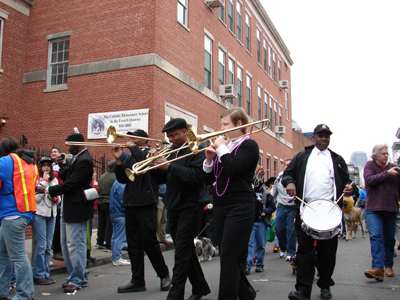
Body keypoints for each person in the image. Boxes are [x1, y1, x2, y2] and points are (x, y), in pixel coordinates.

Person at [282, 124, 354, 300]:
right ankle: (303, 291)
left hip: (329, 212)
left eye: (327, 136)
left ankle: (325, 285)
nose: (324, 139)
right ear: (313, 138)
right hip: (306, 209)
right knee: (304, 252)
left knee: (327, 253)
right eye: (320, 136)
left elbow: (348, 182)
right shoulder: (302, 157)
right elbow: (287, 175)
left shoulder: (337, 159)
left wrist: (350, 189)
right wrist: (290, 182)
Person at [150, 118, 210, 300]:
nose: (171, 139)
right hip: (174, 205)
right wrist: (154, 165)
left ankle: (175, 296)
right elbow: (162, 179)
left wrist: (169, 166)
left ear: (185, 131)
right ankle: (200, 287)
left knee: (182, 252)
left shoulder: (198, 148)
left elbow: (197, 176)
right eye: (169, 136)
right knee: (185, 250)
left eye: (174, 135)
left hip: (192, 205)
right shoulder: (171, 151)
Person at [203, 107, 258, 300]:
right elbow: (210, 180)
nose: (222, 128)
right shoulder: (226, 147)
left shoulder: (249, 145)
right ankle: (246, 293)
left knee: (228, 255)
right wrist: (209, 160)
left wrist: (220, 148)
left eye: (226, 124)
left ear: (239, 125)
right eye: (222, 124)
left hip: (240, 205)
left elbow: (234, 169)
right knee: (230, 255)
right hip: (220, 205)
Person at [111, 129, 170, 293]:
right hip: (130, 203)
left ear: (143, 140)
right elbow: (122, 179)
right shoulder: (130, 157)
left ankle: (164, 274)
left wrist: (132, 148)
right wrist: (117, 161)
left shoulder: (151, 153)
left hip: (146, 202)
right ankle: (137, 280)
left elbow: (144, 162)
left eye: (133, 138)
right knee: (133, 244)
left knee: (149, 242)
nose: (129, 140)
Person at [37, 133, 94, 293]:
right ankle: (79, 276)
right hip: (70, 207)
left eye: (69, 145)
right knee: (69, 244)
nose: (67, 148)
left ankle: (76, 279)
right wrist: (62, 167)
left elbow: (71, 184)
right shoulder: (78, 158)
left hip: (77, 208)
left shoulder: (84, 160)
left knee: (74, 245)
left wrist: (48, 189)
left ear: (77, 144)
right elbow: (68, 177)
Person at [0, 137, 37, 300]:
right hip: (25, 212)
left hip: (11, 214)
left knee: (17, 256)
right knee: (3, 253)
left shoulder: (6, 161)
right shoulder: (30, 163)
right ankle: (2, 291)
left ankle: (25, 294)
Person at [363, 144, 400, 281]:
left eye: (387, 154)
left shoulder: (394, 167)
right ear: (376, 155)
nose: (386, 156)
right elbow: (369, 180)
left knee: (389, 238)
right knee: (376, 236)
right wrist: (386, 174)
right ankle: (378, 268)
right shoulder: (370, 166)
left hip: (391, 207)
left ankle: (388, 265)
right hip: (374, 208)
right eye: (383, 153)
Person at [33, 156, 61, 285]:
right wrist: (43, 182)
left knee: (48, 246)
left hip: (51, 213)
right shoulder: (37, 180)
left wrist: (56, 199)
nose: (46, 167)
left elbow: (59, 197)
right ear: (40, 167)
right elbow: (36, 199)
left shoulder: (54, 181)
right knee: (41, 245)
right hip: (40, 214)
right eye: (43, 165)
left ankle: (45, 272)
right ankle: (38, 274)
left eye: (48, 165)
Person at [246, 183, 276, 274]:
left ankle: (260, 264)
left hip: (262, 222)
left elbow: (272, 207)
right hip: (251, 221)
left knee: (261, 244)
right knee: (250, 244)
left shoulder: (267, 194)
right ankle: (247, 265)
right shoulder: (250, 192)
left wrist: (265, 211)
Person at [273, 158, 297, 261]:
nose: (287, 166)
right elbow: (274, 194)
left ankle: (291, 252)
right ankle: (283, 248)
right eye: (286, 164)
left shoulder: (295, 177)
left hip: (292, 207)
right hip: (281, 206)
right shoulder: (279, 178)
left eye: (289, 164)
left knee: (291, 230)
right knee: (279, 229)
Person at [96, 160, 116, 252]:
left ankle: (99, 241)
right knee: (109, 223)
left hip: (101, 201)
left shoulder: (102, 176)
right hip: (109, 201)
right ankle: (108, 243)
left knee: (102, 222)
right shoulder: (115, 177)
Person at [109, 178, 129, 266]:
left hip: (114, 212)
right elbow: (123, 200)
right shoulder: (122, 183)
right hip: (120, 213)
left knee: (115, 235)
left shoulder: (116, 182)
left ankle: (116, 257)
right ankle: (117, 258)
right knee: (120, 237)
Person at [50, 146, 63, 261]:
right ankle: (56, 250)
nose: (53, 153)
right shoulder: (49, 166)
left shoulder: (60, 167)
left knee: (58, 227)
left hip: (60, 198)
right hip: (51, 198)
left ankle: (58, 249)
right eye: (52, 152)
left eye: (55, 151)